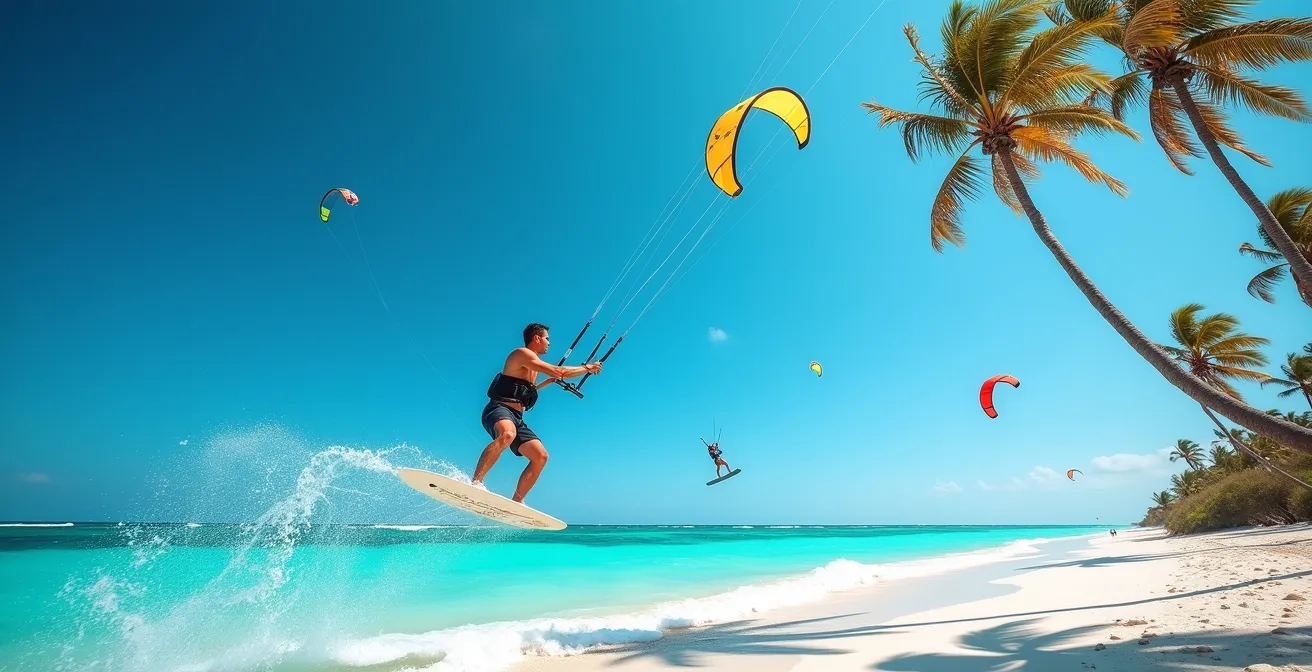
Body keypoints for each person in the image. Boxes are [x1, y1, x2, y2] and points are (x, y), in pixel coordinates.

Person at [470, 323, 601, 503]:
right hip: (499, 409)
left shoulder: (533, 367)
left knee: (540, 456)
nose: (549, 343)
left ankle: (517, 501)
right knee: (507, 434)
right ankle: (476, 482)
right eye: (547, 338)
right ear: (537, 338)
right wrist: (588, 367)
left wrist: (547, 383)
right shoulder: (522, 354)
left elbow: (525, 392)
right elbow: (559, 371)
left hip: (517, 417)